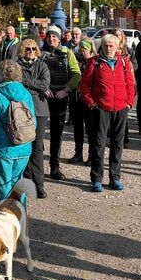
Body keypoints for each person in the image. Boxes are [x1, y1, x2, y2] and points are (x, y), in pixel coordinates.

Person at [80, 33, 136, 192]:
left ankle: (115, 177)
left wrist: (129, 103)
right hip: (101, 109)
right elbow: (84, 86)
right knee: (98, 144)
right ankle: (97, 179)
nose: (109, 48)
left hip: (120, 108)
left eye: (111, 46)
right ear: (101, 47)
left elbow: (130, 84)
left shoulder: (125, 62)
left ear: (117, 47)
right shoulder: (94, 62)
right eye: (105, 46)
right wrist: (92, 103)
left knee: (117, 144)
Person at [0, 60, 36, 201]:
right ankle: (20, 216)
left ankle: (6, 217)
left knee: (4, 185)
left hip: (4, 147)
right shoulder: (26, 94)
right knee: (18, 183)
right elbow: (34, 122)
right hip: (24, 146)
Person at [42, 26, 81, 181]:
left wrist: (67, 89)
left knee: (56, 134)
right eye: (49, 36)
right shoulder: (39, 52)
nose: (52, 39)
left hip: (60, 96)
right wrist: (44, 88)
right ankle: (36, 166)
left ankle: (54, 166)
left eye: (54, 37)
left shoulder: (68, 53)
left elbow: (76, 74)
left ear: (59, 38)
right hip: (43, 97)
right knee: (38, 134)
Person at [17, 38, 51, 199]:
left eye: (33, 48)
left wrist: (26, 82)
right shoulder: (17, 66)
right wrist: (34, 85)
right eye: (27, 49)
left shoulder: (42, 65)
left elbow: (44, 85)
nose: (30, 51)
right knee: (24, 145)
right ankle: (26, 181)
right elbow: (16, 84)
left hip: (39, 110)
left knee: (37, 147)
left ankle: (39, 184)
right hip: (22, 110)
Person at [67, 38, 94, 165]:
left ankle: (91, 155)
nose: (82, 52)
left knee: (90, 129)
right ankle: (78, 153)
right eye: (81, 49)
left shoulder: (95, 62)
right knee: (77, 128)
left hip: (88, 100)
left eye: (85, 49)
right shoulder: (76, 60)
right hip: (75, 98)